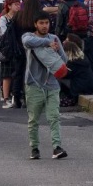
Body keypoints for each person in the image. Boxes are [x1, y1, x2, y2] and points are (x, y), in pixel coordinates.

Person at [22, 12, 68, 160]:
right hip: (34, 84)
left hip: (52, 84)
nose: (44, 26)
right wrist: (46, 44)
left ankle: (57, 147)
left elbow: (64, 59)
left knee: (54, 117)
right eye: (41, 23)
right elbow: (28, 42)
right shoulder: (29, 36)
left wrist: (54, 53)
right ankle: (34, 148)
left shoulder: (54, 38)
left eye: (46, 23)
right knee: (33, 118)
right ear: (35, 24)